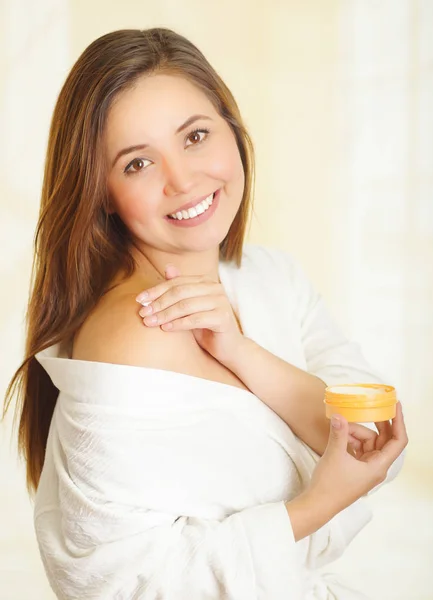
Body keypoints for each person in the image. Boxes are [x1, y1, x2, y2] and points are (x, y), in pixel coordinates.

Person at [3, 28, 408, 600]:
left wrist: (242, 352)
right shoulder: (135, 335)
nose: (184, 179)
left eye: (195, 135)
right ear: (101, 193)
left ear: (233, 131)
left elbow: (377, 435)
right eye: (138, 163)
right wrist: (317, 505)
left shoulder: (270, 278)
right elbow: (112, 583)